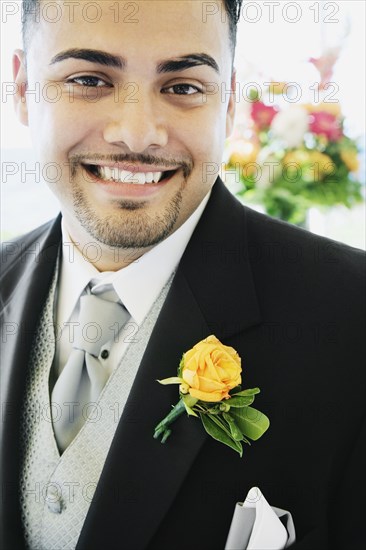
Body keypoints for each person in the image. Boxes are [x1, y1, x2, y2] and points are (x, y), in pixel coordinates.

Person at [1, 1, 365, 549]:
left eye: (184, 87)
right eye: (88, 79)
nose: (138, 134)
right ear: (24, 89)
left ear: (229, 101)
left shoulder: (351, 318)